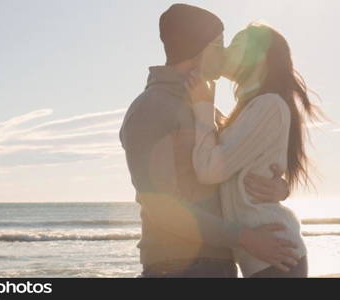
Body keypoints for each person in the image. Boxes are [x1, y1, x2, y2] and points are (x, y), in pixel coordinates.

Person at [119, 4, 301, 278]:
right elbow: (160, 207)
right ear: (200, 48)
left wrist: (279, 187)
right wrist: (245, 238)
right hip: (178, 268)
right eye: (220, 44)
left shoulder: (206, 108)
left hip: (220, 264)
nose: (225, 52)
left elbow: (233, 170)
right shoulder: (151, 108)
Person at [186, 22, 325, 277]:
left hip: (276, 257)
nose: (226, 50)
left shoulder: (268, 106)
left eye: (237, 45)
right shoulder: (251, 110)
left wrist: (203, 107)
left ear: (260, 58)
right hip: (267, 257)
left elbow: (208, 170)